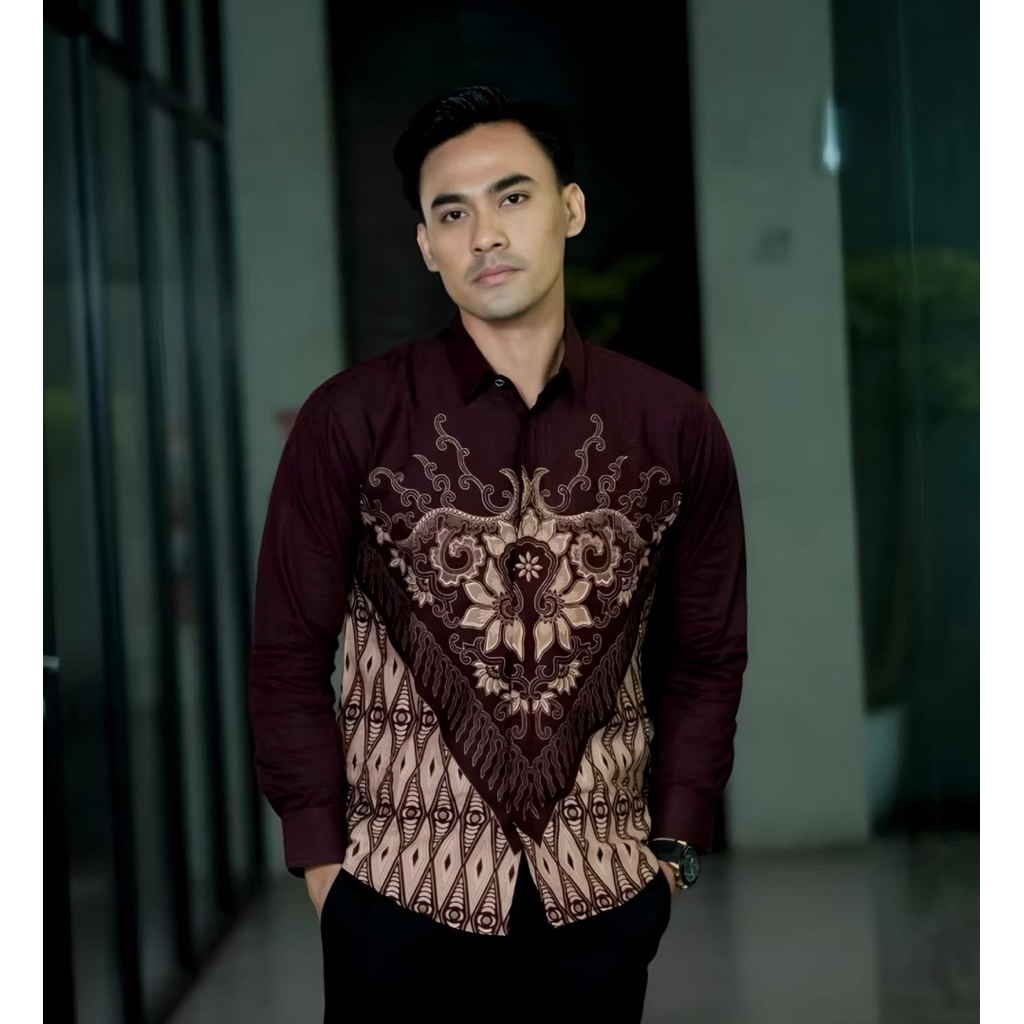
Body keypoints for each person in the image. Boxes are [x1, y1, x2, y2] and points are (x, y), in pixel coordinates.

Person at [249, 85, 747, 1023]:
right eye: (452, 213)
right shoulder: (349, 419)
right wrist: (323, 868)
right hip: (395, 898)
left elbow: (708, 652)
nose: (485, 234)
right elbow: (285, 653)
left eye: (513, 197)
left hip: (599, 896)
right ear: (426, 245)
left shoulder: (673, 426)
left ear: (571, 209)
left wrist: (676, 843)